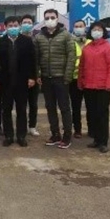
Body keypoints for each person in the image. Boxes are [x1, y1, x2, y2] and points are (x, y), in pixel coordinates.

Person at [35, 9, 76, 149]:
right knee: (50, 107)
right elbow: (36, 58)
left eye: (52, 17)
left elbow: (71, 56)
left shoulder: (66, 35)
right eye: (47, 18)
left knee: (64, 108)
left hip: (61, 78)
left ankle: (67, 136)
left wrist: (67, 76)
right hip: (46, 78)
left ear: (57, 19)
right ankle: (55, 134)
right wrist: (38, 74)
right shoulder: (39, 37)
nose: (50, 20)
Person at [0, 16, 36, 147]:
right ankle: (9, 135)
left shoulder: (27, 41)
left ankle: (21, 136)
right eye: (10, 26)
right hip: (6, 81)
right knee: (6, 109)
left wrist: (32, 77)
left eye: (15, 25)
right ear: (5, 27)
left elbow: (32, 61)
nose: (13, 28)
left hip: (22, 81)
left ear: (19, 26)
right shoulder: (0, 42)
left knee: (21, 109)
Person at [78, 21, 110, 153]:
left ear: (103, 32)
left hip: (103, 87)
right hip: (89, 86)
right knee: (92, 113)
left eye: (99, 29)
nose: (96, 32)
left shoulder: (108, 47)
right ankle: (96, 139)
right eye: (94, 29)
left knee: (102, 113)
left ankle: (103, 142)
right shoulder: (87, 48)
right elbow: (82, 67)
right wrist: (80, 81)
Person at [70, 20, 92, 138]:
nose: (78, 28)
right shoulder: (70, 42)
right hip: (74, 79)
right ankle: (77, 129)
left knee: (91, 106)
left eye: (81, 26)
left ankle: (91, 129)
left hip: (88, 79)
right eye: (76, 26)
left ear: (85, 27)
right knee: (75, 106)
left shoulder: (90, 42)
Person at [20, 14, 40, 137]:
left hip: (34, 76)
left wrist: (36, 76)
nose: (27, 24)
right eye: (24, 22)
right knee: (22, 104)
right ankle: (22, 126)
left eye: (29, 22)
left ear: (33, 24)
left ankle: (32, 126)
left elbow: (38, 59)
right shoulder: (17, 39)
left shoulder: (37, 39)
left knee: (33, 104)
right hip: (21, 77)